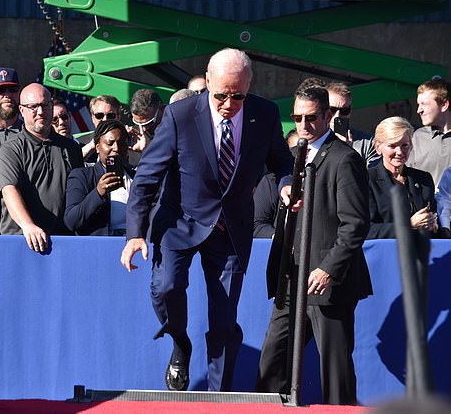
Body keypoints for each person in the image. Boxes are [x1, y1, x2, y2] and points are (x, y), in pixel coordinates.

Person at [121, 48, 294, 392]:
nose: (229, 103)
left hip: (230, 230)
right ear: (208, 83)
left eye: (238, 95)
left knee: (224, 321)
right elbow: (147, 178)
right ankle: (180, 344)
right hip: (179, 221)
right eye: (221, 95)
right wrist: (134, 233)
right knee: (166, 287)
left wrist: (288, 185)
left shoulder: (265, 114)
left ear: (249, 87)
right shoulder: (179, 115)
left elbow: (284, 163)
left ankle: (219, 396)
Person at [256, 85, 372, 405]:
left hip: (325, 284)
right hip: (291, 279)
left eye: (310, 117)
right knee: (272, 362)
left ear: (327, 115)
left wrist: (328, 270)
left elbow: (355, 224)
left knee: (335, 373)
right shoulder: (291, 159)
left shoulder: (344, 158)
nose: (303, 124)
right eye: (297, 117)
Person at [0, 83, 83, 250]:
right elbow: (9, 190)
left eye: (45, 105)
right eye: (33, 107)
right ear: (21, 110)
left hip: (63, 243)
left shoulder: (71, 148)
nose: (41, 112)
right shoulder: (11, 149)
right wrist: (28, 226)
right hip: (22, 242)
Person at [368, 117, 446, 239]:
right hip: (387, 254)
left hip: (424, 254)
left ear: (411, 146)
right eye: (392, 146)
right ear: (378, 147)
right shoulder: (367, 180)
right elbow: (367, 230)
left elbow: (437, 227)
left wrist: (434, 226)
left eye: (404, 145)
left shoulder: (424, 179)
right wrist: (408, 225)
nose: (399, 152)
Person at [64, 120, 134, 235]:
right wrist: (98, 193)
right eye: (110, 143)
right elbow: (71, 221)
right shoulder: (82, 176)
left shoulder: (136, 176)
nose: (116, 148)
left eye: (121, 143)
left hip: (135, 246)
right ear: (97, 147)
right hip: (101, 248)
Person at [406, 78, 451, 186]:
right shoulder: (417, 138)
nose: (419, 110)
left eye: (424, 104)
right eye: (418, 104)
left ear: (444, 105)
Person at [326, 82, 379, 168]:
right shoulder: (313, 140)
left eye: (344, 110)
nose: (337, 116)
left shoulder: (368, 143)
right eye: (332, 110)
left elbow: (371, 179)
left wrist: (348, 153)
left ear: (350, 111)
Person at [128, 88, 164, 156]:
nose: (142, 129)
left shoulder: (176, 134)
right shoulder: (133, 138)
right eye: (137, 123)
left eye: (148, 123)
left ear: (162, 110)